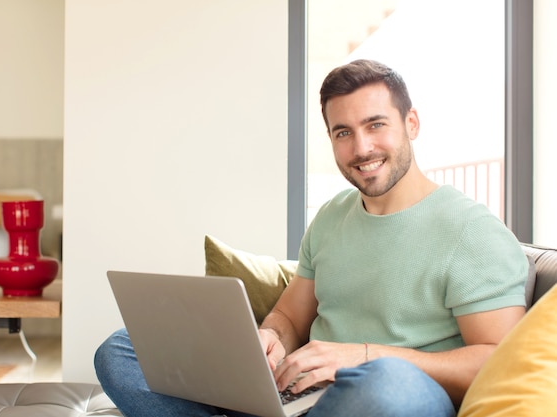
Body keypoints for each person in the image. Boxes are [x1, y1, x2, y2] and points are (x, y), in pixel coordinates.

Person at [94, 59, 529, 417]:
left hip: (385, 398)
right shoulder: (333, 215)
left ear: (411, 123)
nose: (361, 148)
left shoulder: (472, 231)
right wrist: (270, 340)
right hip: (301, 396)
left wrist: (363, 356)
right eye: (343, 133)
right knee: (121, 348)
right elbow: (290, 316)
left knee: (388, 388)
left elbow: (501, 361)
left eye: (376, 125)